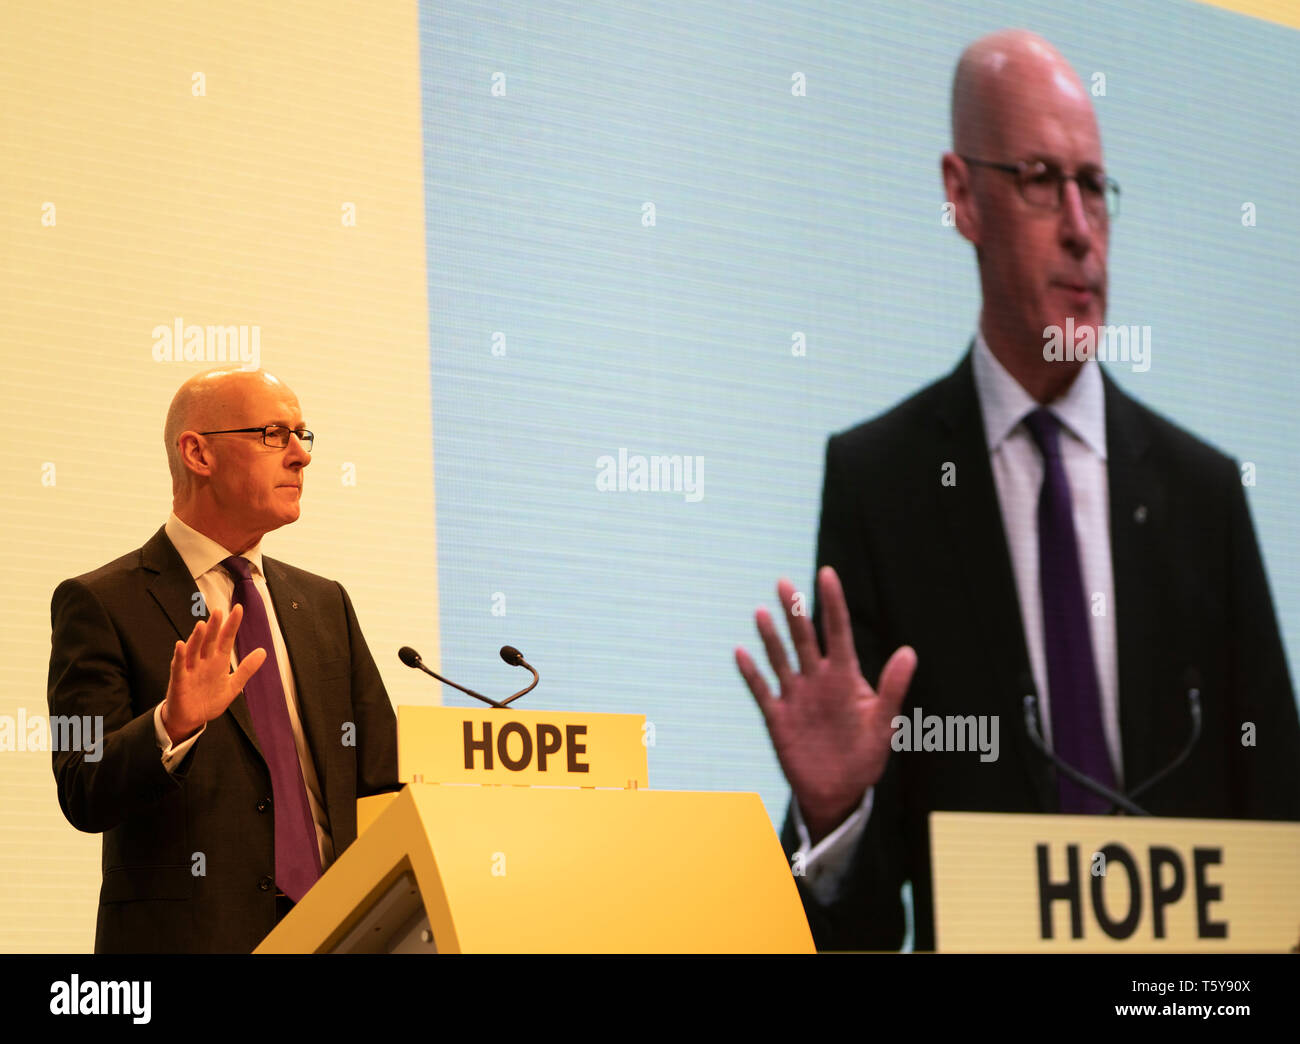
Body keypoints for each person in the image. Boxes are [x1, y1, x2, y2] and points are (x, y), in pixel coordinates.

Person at [736, 29, 1300, 951]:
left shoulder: (1205, 496)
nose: (1081, 226)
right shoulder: (884, 486)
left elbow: (1279, 824)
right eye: (1041, 179)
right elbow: (867, 925)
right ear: (963, 197)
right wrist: (833, 812)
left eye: (1096, 187)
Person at [47, 367, 399, 953]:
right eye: (273, 434)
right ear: (198, 453)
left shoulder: (323, 602)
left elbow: (381, 777)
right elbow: (82, 787)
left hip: (343, 934)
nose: (300, 457)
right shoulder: (100, 602)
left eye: (302, 435)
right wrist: (170, 725)